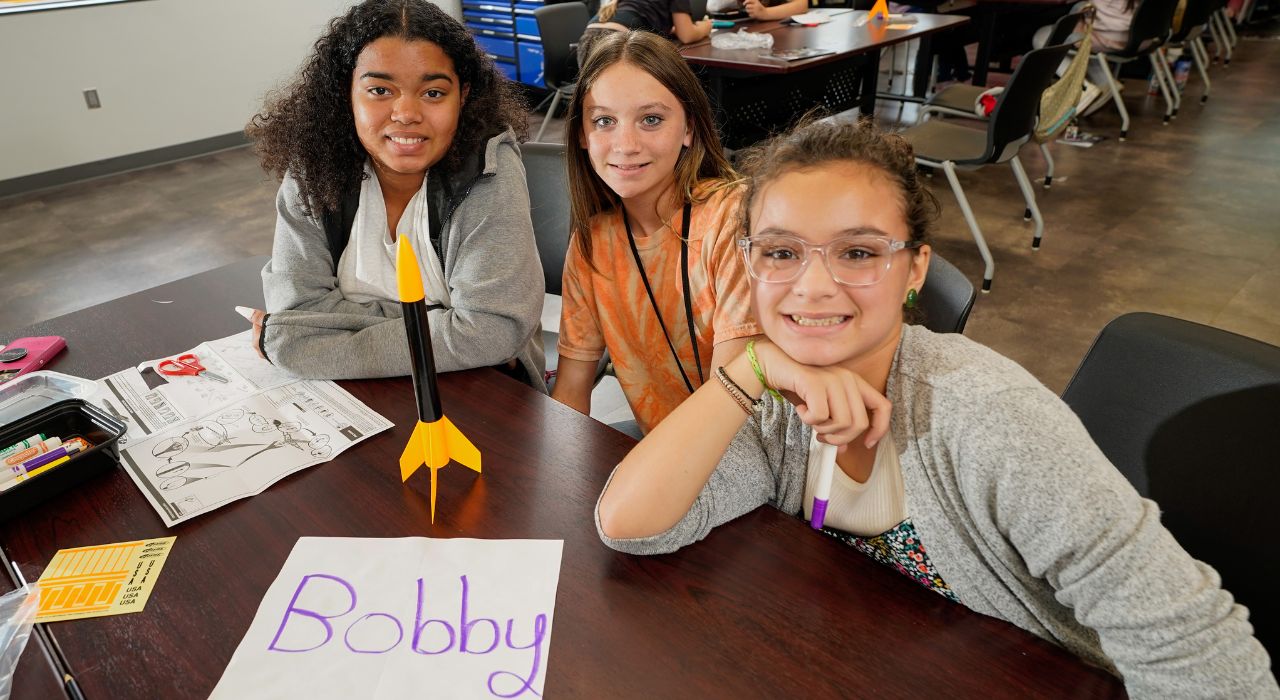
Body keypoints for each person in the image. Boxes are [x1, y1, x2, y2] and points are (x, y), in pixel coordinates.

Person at [594, 119, 1279, 697]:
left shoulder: (987, 417)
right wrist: (750, 368)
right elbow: (634, 525)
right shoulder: (781, 397)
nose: (813, 285)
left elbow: (1203, 653)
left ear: (915, 267)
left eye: (858, 251)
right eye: (780, 252)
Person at [245, 0, 545, 389]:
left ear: (463, 96)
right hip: (352, 390)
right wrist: (442, 321)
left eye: (434, 93)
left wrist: (301, 342)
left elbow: (492, 332)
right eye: (380, 90)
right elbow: (295, 306)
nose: (406, 113)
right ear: (346, 92)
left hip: (479, 389)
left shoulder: (489, 171)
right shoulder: (312, 169)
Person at [553, 31, 760, 435]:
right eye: (604, 121)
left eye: (651, 119)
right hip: (664, 451)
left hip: (750, 459)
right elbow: (571, 393)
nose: (626, 144)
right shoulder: (592, 243)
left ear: (689, 128)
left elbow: (731, 412)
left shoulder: (734, 220)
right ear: (582, 133)